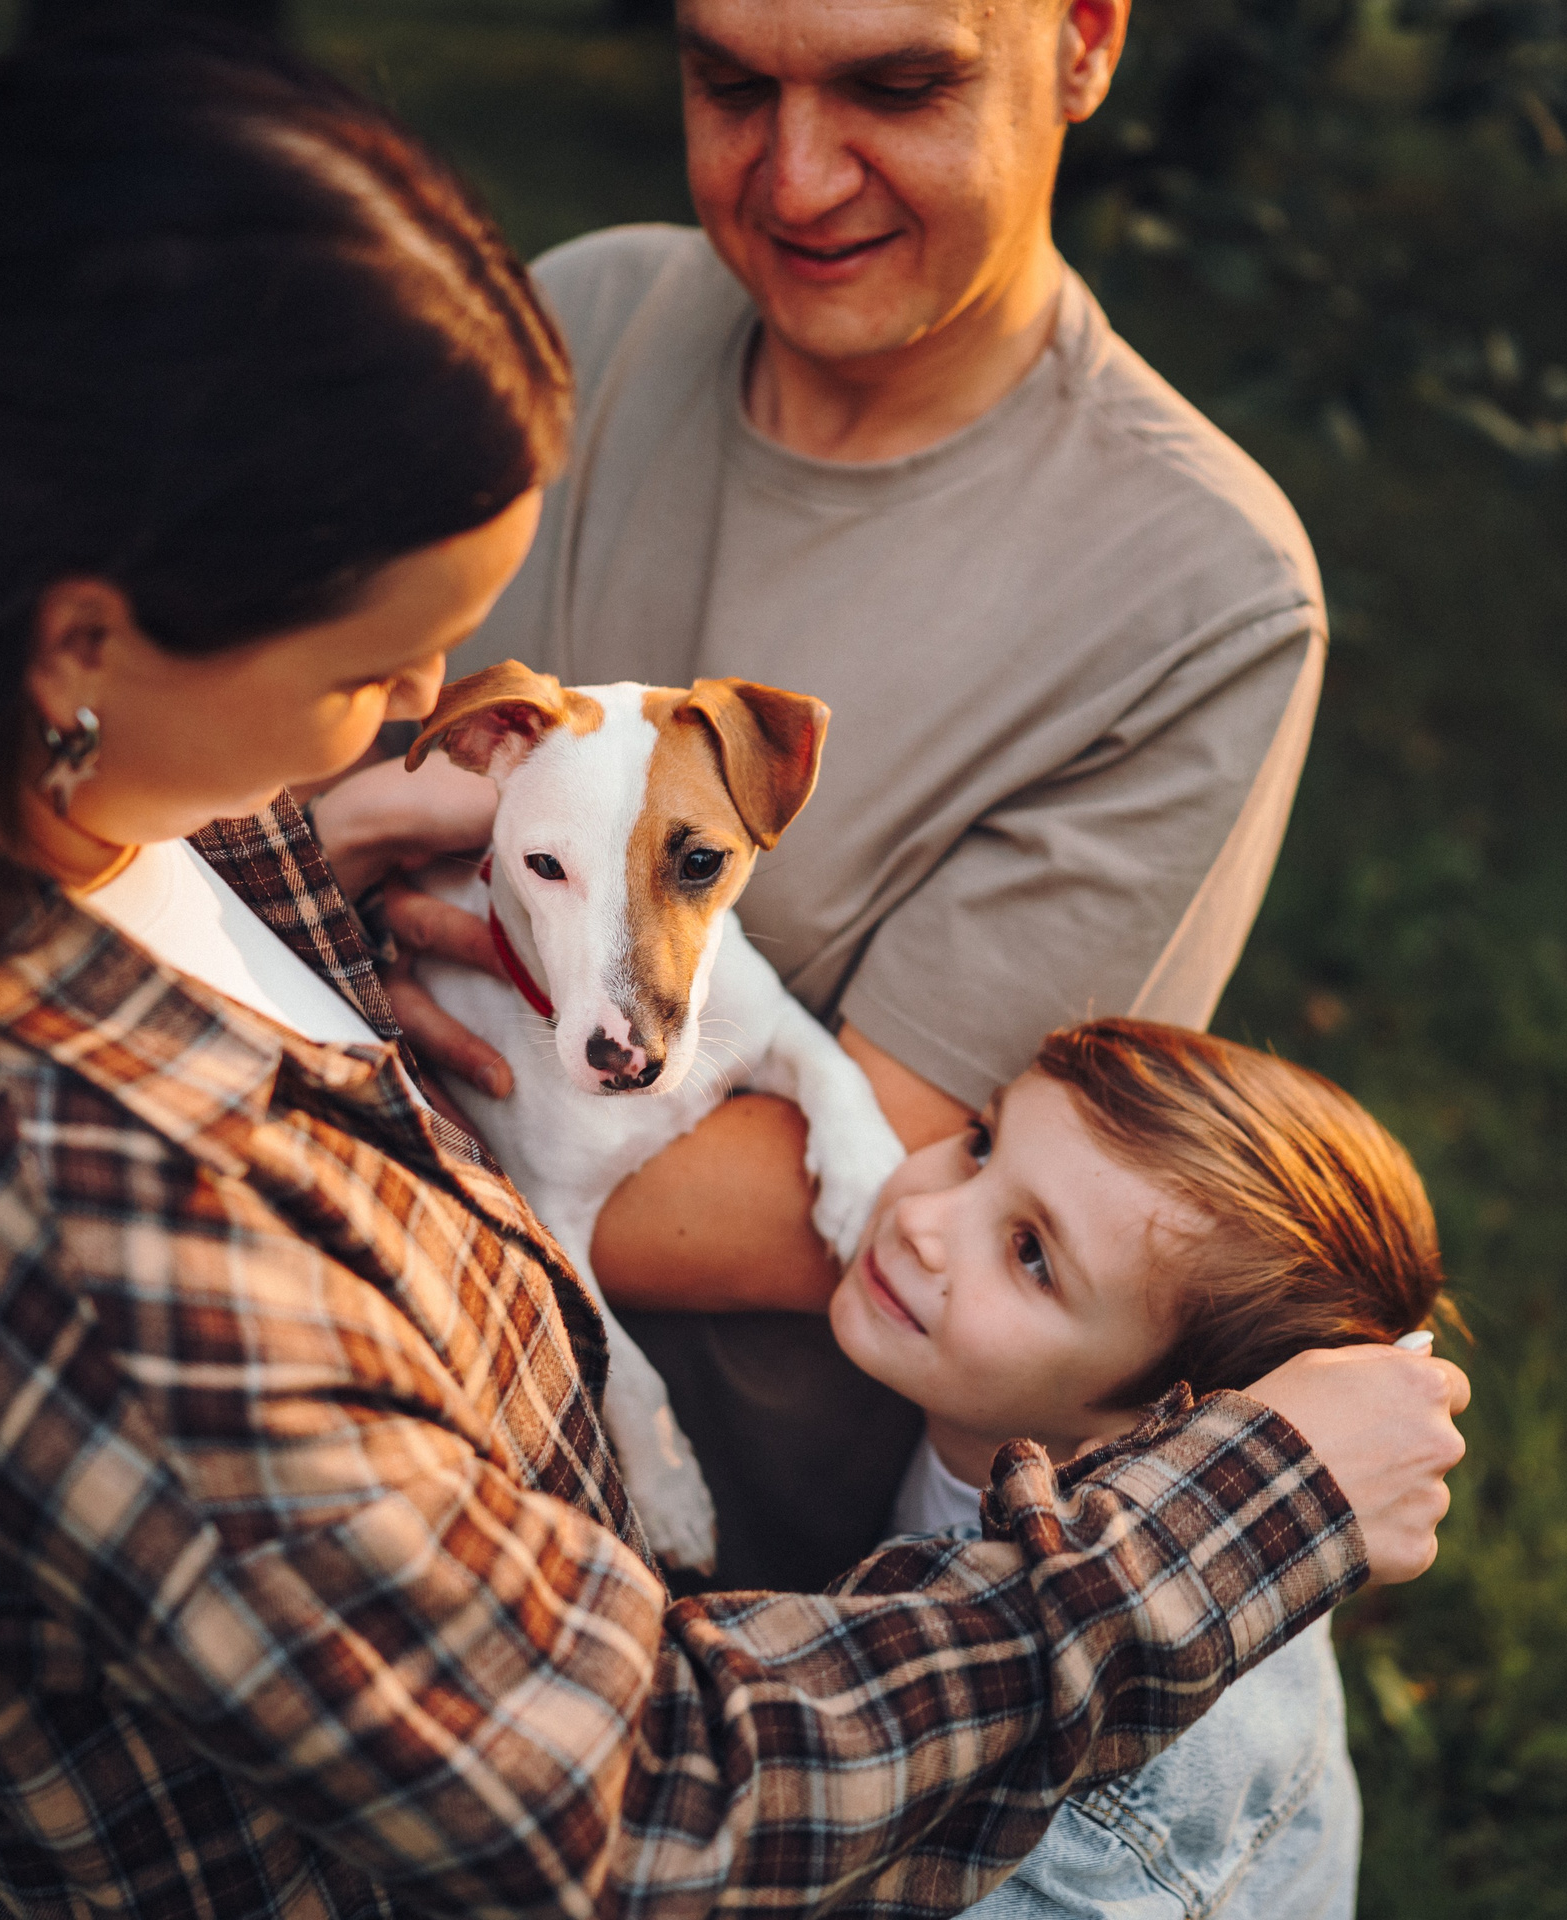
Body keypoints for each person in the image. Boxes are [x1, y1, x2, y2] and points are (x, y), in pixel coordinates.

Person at [0, 25, 1466, 1919]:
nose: (426, 720)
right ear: (83, 641)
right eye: (369, 663)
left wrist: (283, 849)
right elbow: (641, 1803)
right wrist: (1246, 1525)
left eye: (894, 87)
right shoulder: (110, 1260)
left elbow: (212, 942)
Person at [325, 0, 1335, 1590]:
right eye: (730, 82)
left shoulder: (1197, 596)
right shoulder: (581, 321)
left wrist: (293, 1122)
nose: (795, 183)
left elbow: (879, 1205)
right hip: (337, 1455)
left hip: (744, 1597)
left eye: (896, 83)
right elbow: (276, 767)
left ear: (1082, 40)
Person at [832, 1018, 1454, 1918]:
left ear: (1158, 1429)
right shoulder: (981, 1409)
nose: (923, 1219)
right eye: (980, 1145)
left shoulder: (1105, 1803)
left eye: (1033, 1254)